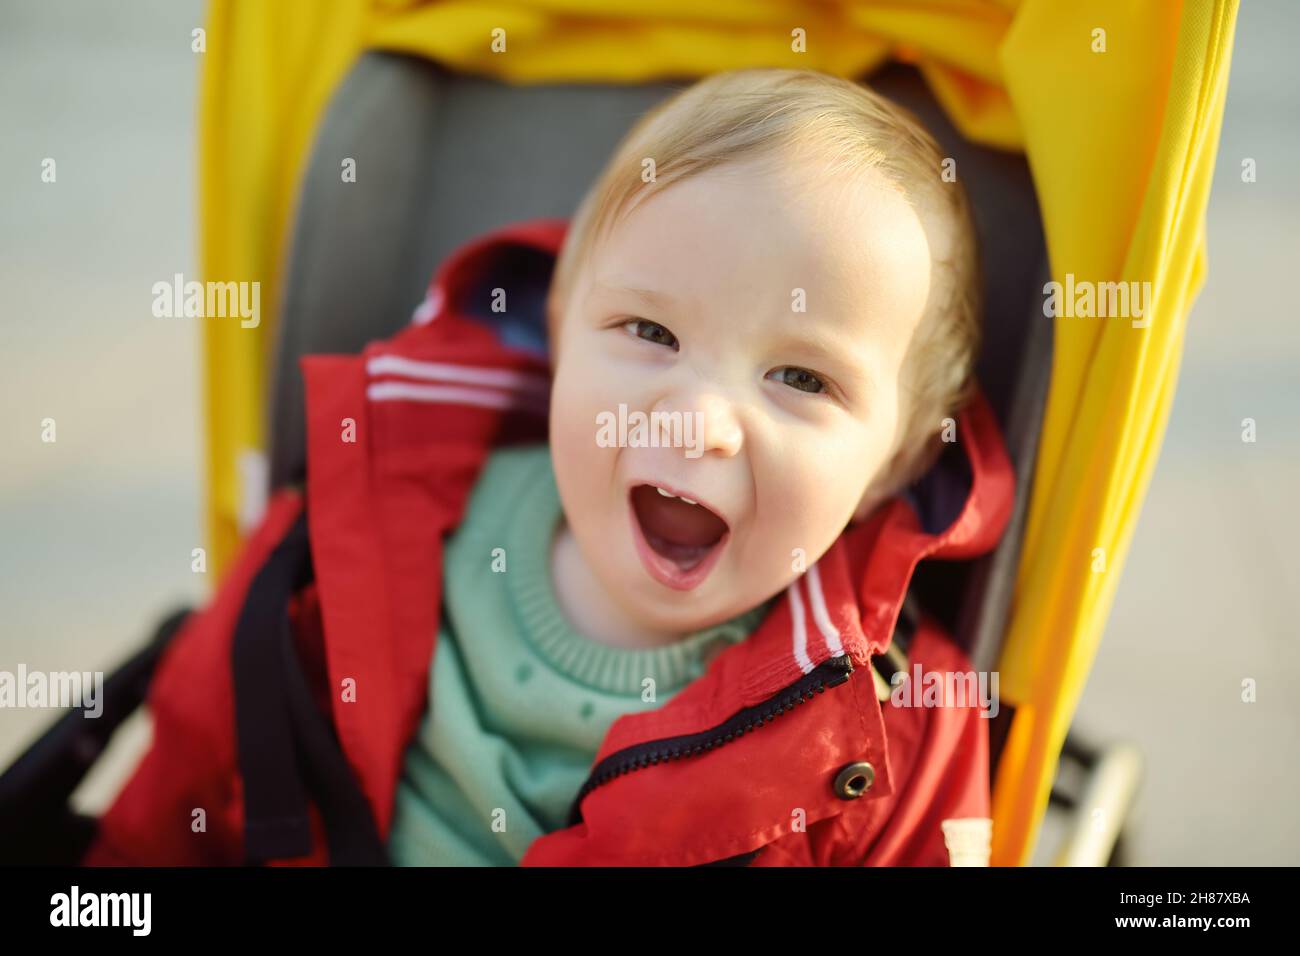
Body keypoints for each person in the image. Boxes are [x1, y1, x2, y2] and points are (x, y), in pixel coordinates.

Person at [83, 67, 1013, 867]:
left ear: (896, 458)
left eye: (802, 377)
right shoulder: (351, 526)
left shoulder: (897, 736)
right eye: (650, 331)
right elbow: (172, 808)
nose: (699, 421)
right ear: (563, 328)